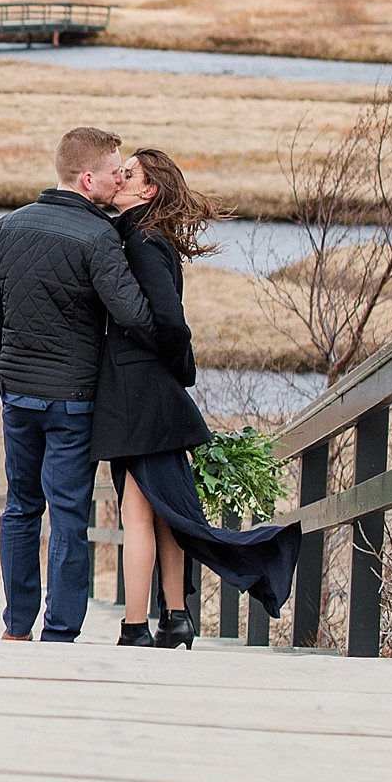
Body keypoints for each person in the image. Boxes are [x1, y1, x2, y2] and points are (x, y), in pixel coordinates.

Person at [94, 147, 302, 648]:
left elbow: (168, 319)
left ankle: (135, 627)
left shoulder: (141, 240)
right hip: (152, 395)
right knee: (167, 511)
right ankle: (177, 616)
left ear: (149, 191)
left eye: (129, 175)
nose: (118, 178)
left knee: (138, 513)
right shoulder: (146, 234)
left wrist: (179, 370)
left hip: (140, 396)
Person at [0, 127, 159, 643]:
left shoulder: (6, 228)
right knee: (69, 514)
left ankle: (15, 627)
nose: (120, 177)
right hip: (75, 400)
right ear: (86, 178)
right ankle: (59, 632)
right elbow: (134, 313)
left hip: (19, 395)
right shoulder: (99, 236)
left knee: (20, 507)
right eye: (114, 171)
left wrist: (4, 372)